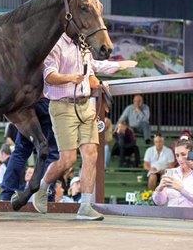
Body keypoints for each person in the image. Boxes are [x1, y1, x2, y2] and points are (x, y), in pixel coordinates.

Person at [32, 32, 137, 220]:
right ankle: (42, 187)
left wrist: (119, 65)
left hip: (85, 105)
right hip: (63, 106)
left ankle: (85, 206)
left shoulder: (83, 45)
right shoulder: (56, 44)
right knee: (68, 160)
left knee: (91, 154)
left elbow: (94, 66)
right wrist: (70, 78)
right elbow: (49, 75)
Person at [0, 98, 59, 202]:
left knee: (21, 151)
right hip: (47, 99)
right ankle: (44, 196)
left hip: (28, 102)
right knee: (51, 153)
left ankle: (7, 193)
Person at [152, 140, 193, 207]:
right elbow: (160, 202)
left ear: (192, 154)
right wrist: (159, 189)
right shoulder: (171, 173)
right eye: (177, 155)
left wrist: (182, 189)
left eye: (183, 154)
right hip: (172, 216)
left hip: (192, 216)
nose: (180, 159)